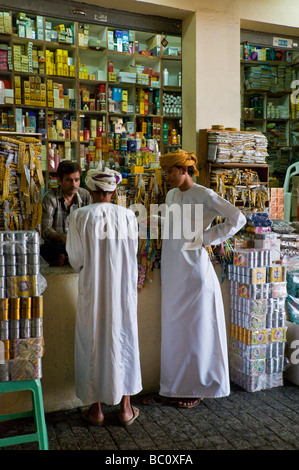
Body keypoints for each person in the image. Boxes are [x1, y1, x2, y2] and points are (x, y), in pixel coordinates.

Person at [146, 149, 246, 408]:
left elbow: (238, 218)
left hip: (195, 274)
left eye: (170, 171)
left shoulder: (204, 194)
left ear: (184, 170)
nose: (166, 176)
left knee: (197, 332)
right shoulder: (170, 195)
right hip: (173, 271)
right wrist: (153, 219)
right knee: (175, 332)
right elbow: (174, 226)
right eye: (165, 172)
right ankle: (172, 388)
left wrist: (207, 238)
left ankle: (200, 387)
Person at [66, 167, 142, 426]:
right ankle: (125, 408)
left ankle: (96, 410)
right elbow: (133, 255)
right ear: (114, 190)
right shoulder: (129, 216)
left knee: (92, 342)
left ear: (89, 189)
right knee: (125, 340)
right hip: (123, 291)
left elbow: (76, 260)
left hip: (93, 291)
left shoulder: (79, 216)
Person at [41, 160, 91, 266]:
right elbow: (46, 229)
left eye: (76, 180)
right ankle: (65, 257)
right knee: (46, 248)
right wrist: (63, 237)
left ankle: (67, 259)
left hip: (79, 243)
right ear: (59, 180)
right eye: (69, 180)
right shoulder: (50, 197)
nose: (74, 184)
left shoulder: (85, 195)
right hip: (58, 244)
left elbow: (90, 223)